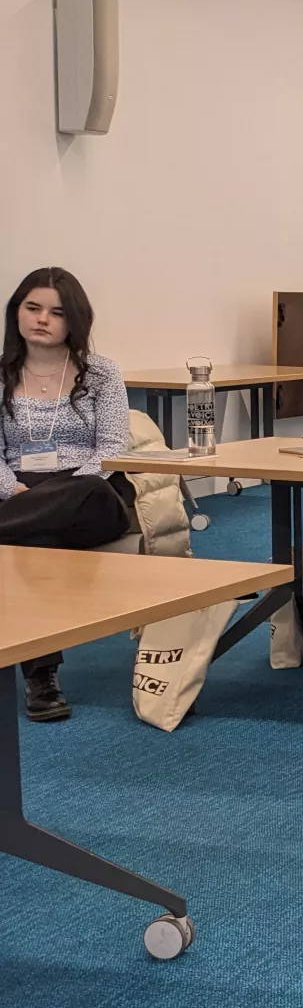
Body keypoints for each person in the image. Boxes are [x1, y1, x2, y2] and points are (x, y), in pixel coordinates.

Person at [0, 267, 134, 722]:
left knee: (84, 491)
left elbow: (115, 447)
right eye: (32, 308)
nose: (42, 319)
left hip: (91, 490)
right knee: (33, 544)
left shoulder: (100, 372)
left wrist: (73, 480)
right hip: (19, 495)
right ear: (16, 311)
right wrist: (10, 488)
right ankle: (42, 679)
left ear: (75, 320)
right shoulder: (0, 373)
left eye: (57, 313)